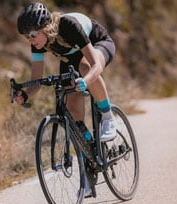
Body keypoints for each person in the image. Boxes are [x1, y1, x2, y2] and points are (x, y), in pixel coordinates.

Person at [14, 2, 116, 142]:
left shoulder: (68, 25)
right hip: (71, 58)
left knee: (85, 68)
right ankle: (88, 150)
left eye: (32, 34)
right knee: (72, 109)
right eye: (27, 36)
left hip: (97, 43)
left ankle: (108, 117)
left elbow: (96, 66)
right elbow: (36, 82)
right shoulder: (38, 44)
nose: (30, 40)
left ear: (45, 27)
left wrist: (85, 81)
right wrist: (25, 95)